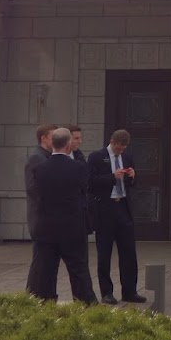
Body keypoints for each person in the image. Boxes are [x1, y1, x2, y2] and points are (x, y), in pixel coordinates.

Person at [28, 127, 98, 304]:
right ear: (68, 145)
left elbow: (37, 194)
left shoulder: (40, 169)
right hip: (72, 227)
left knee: (45, 272)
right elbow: (83, 193)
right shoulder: (79, 168)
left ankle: (45, 305)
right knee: (79, 271)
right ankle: (85, 306)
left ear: (53, 144)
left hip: (47, 228)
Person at [86, 129, 144, 304]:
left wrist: (132, 177)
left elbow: (132, 184)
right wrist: (112, 177)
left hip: (123, 207)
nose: (121, 151)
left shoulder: (127, 157)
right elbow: (90, 183)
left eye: (124, 148)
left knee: (128, 252)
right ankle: (107, 292)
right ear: (112, 142)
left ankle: (130, 291)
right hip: (105, 209)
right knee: (104, 253)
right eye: (119, 147)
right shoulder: (97, 157)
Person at [23, 122, 55, 300]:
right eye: (53, 136)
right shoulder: (37, 158)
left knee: (45, 261)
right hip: (40, 218)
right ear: (43, 138)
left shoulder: (47, 156)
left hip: (46, 218)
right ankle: (33, 296)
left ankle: (43, 295)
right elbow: (32, 188)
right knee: (39, 261)